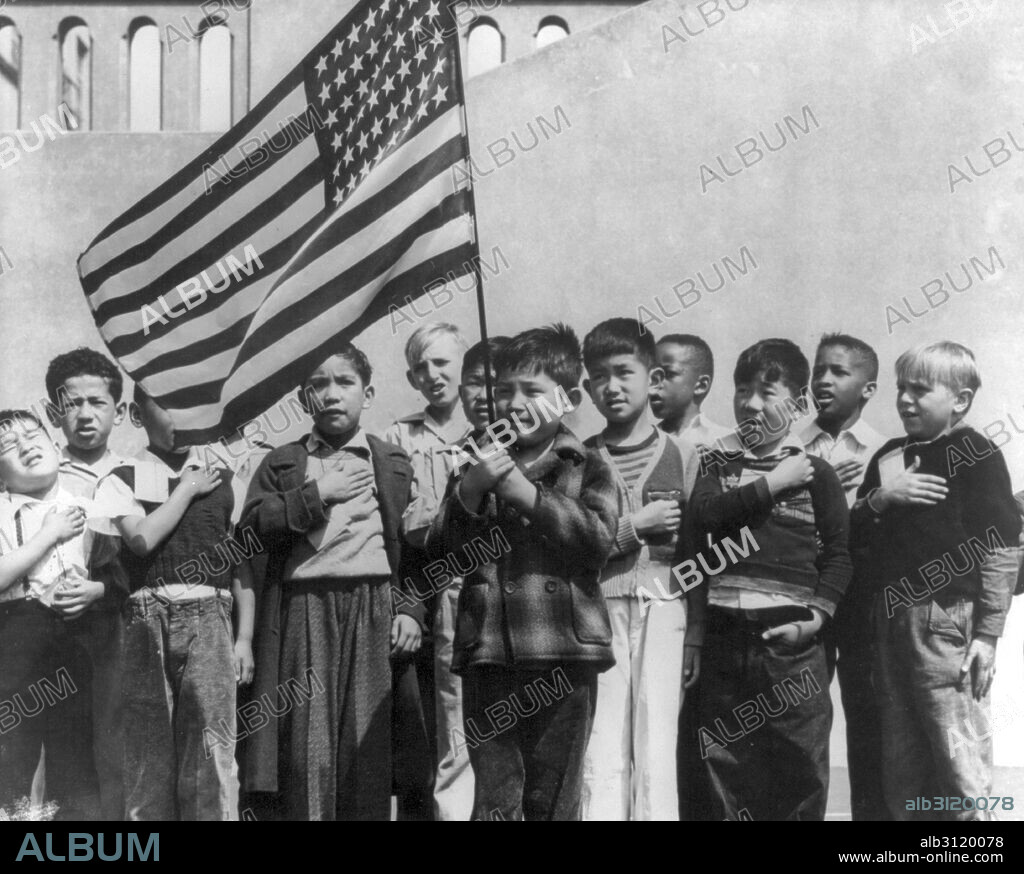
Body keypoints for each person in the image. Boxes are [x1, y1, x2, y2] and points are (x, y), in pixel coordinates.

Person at [429, 323, 618, 821]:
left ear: (568, 398)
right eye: (505, 390)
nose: (514, 402)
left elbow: (598, 543)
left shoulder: (590, 463)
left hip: (563, 656)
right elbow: (443, 552)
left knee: (554, 797)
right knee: (495, 799)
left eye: (532, 391)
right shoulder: (475, 460)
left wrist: (526, 495)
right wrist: (470, 492)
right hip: (489, 654)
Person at [241, 344, 427, 821]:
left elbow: (416, 551)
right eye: (318, 385)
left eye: (343, 383)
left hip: (374, 606)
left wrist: (409, 608)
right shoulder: (283, 463)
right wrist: (316, 494)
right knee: (308, 745)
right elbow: (251, 530)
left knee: (368, 744)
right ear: (305, 400)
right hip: (305, 608)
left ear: (367, 393)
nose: (331, 394)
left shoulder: (393, 461)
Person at [851, 341, 1020, 821]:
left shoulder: (976, 452)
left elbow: (1003, 547)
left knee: (959, 759)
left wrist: (987, 634)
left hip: (947, 620)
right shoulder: (888, 457)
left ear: (960, 400)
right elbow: (851, 535)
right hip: (889, 623)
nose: (904, 399)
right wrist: (881, 499)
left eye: (920, 390)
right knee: (901, 769)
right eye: (901, 388)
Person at [688, 338, 851, 821]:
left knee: (799, 763)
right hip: (723, 633)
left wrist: (816, 619)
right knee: (722, 762)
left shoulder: (818, 473)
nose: (751, 403)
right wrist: (774, 483)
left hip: (792, 642)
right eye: (742, 390)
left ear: (798, 401)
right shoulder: (717, 464)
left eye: (767, 391)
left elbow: (840, 557)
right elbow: (706, 520)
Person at [97, 386, 252, 821]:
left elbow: (240, 566)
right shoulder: (120, 475)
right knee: (148, 754)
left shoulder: (223, 478)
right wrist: (185, 489)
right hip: (146, 621)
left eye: (191, 405)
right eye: (167, 406)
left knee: (212, 751)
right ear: (135, 413)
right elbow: (141, 539)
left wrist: (244, 638)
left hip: (211, 616)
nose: (180, 418)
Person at [579, 318, 704, 821]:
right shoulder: (579, 459)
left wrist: (695, 628)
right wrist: (635, 525)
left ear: (652, 378)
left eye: (624, 372)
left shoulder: (686, 455)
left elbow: (700, 553)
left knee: (656, 741)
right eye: (600, 376)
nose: (612, 386)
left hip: (665, 607)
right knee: (602, 743)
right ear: (587, 387)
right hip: (596, 611)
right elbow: (573, 546)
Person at [796, 333, 888, 821]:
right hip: (801, 597)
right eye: (818, 371)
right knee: (800, 722)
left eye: (839, 372)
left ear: (868, 388)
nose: (823, 381)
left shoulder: (884, 451)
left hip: (860, 605)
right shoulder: (790, 447)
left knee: (868, 718)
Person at [383, 322, 470, 820]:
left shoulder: (493, 421)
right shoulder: (400, 434)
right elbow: (405, 528)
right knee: (439, 724)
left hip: (494, 582)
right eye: (422, 367)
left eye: (443, 363)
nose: (434, 375)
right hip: (433, 590)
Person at [0, 410, 101, 819]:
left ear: (53, 441)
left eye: (32, 433)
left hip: (75, 641)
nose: (25, 445)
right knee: (15, 754)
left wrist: (97, 589)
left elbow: (117, 571)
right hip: (13, 641)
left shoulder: (90, 504)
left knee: (75, 756)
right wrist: (49, 534)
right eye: (8, 445)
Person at [44, 348, 130, 820]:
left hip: (120, 629)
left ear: (117, 409)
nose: (84, 414)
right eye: (72, 403)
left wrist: (103, 590)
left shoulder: (138, 476)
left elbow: (153, 558)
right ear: (56, 411)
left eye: (96, 402)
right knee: (64, 749)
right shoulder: (41, 476)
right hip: (56, 632)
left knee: (118, 743)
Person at [649, 334, 729, 449]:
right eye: (652, 375)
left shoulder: (723, 442)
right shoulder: (643, 444)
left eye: (668, 374)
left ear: (700, 385)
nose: (653, 384)